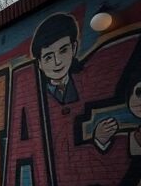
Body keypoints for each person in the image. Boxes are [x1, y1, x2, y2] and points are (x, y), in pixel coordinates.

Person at [32, 13, 118, 151]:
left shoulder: (88, 85)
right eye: (48, 57)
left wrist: (100, 140)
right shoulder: (35, 101)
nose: (57, 62)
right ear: (40, 63)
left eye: (63, 50)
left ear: (74, 48)